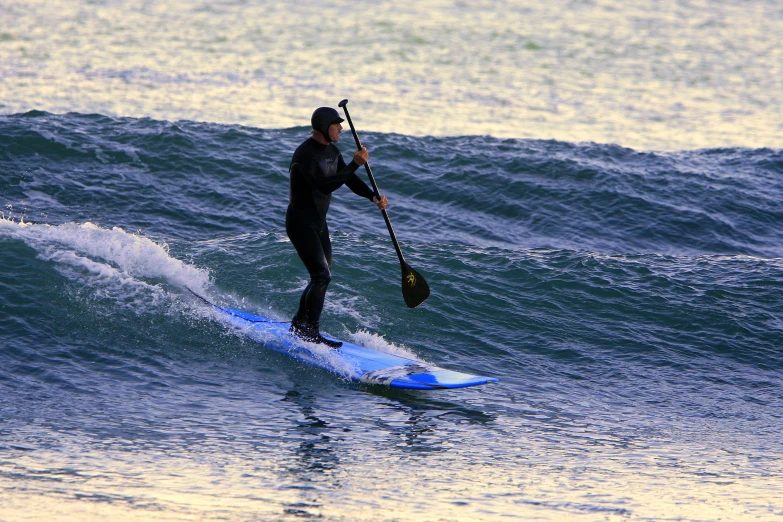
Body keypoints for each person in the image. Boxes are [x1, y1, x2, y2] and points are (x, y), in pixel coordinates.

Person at [286, 106, 388, 348]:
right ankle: (309, 332)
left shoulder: (332, 151)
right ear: (323, 127)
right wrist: (354, 164)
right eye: (336, 125)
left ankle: (300, 325)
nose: (341, 129)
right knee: (321, 275)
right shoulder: (305, 155)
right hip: (300, 222)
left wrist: (372, 196)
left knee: (322, 276)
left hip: (319, 223)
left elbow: (348, 180)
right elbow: (324, 185)